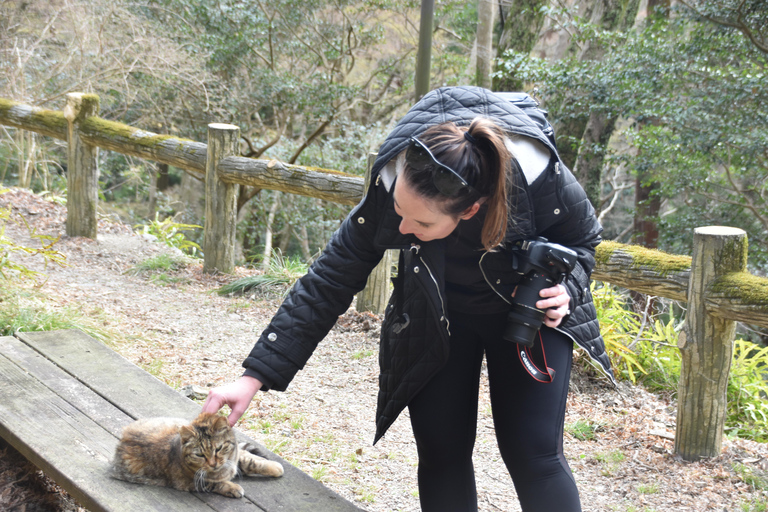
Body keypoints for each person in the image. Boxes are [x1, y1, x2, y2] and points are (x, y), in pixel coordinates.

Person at [202, 86, 614, 512]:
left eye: (419, 221)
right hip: (438, 314)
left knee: (535, 458)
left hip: (528, 313)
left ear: (470, 210)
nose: (400, 227)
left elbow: (584, 240)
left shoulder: (537, 176)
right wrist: (254, 376)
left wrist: (568, 288)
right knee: (442, 453)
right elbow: (329, 278)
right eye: (399, 210)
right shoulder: (398, 179)